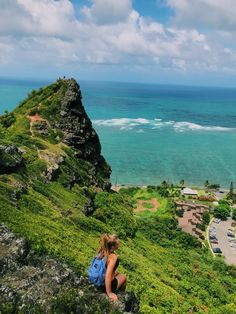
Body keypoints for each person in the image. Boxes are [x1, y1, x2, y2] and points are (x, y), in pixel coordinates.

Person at [97, 234, 127, 302]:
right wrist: (109, 293)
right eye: (118, 244)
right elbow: (107, 276)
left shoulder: (102, 250)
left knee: (117, 273)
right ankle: (120, 295)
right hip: (104, 285)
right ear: (113, 246)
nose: (119, 245)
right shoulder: (113, 257)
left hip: (98, 280)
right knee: (124, 277)